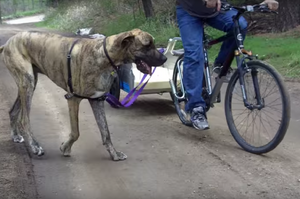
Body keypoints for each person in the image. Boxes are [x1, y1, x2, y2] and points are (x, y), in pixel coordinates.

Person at [175, 0, 279, 130]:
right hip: (188, 10)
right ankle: (196, 108)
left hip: (216, 9)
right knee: (194, 54)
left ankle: (221, 64)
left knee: (239, 25)